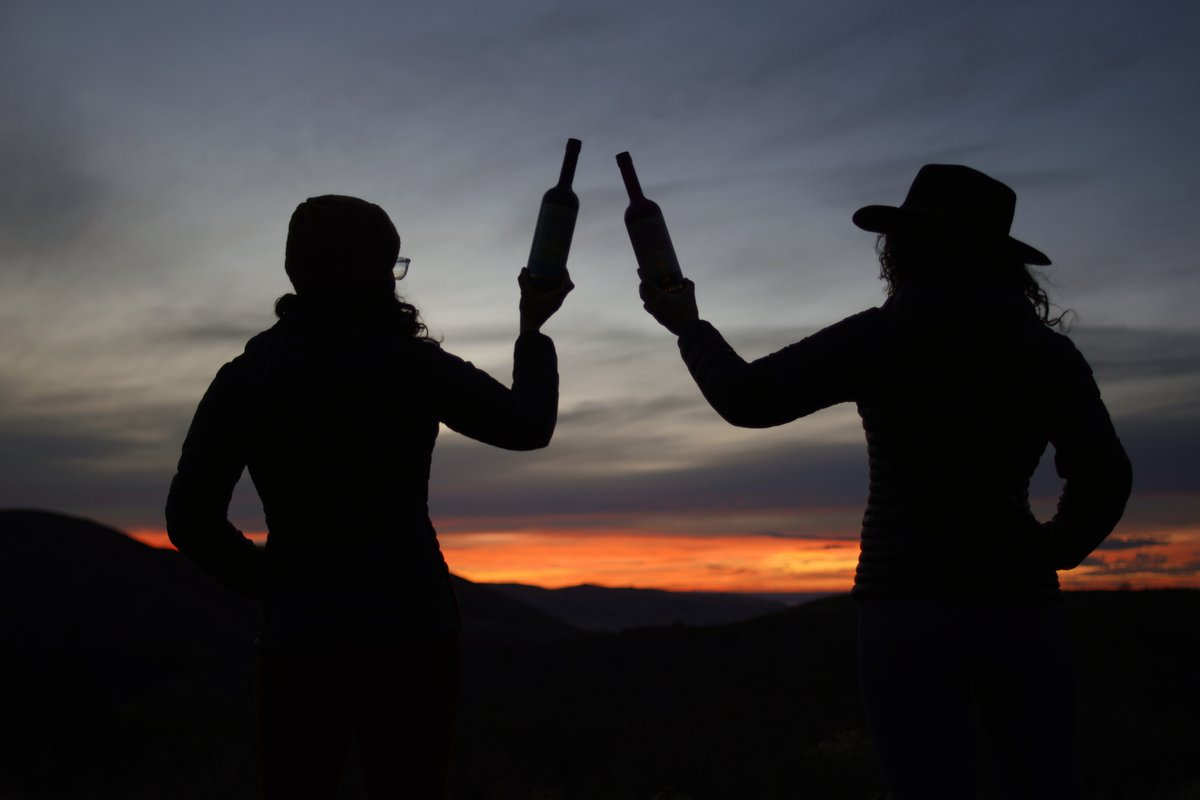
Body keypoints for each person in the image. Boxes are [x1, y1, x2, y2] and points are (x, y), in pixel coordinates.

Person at [639, 164, 1132, 799]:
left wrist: (688, 325)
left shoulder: (881, 336)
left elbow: (748, 398)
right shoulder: (1044, 352)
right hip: (1019, 607)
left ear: (907, 247)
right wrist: (1050, 550)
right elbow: (1105, 472)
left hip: (905, 609)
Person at [165, 194, 572, 799]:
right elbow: (527, 425)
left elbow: (190, 518)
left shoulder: (248, 376)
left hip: (298, 637)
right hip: (412, 629)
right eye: (390, 264)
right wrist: (532, 327)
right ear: (372, 271)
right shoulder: (408, 364)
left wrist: (275, 581)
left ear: (296, 270)